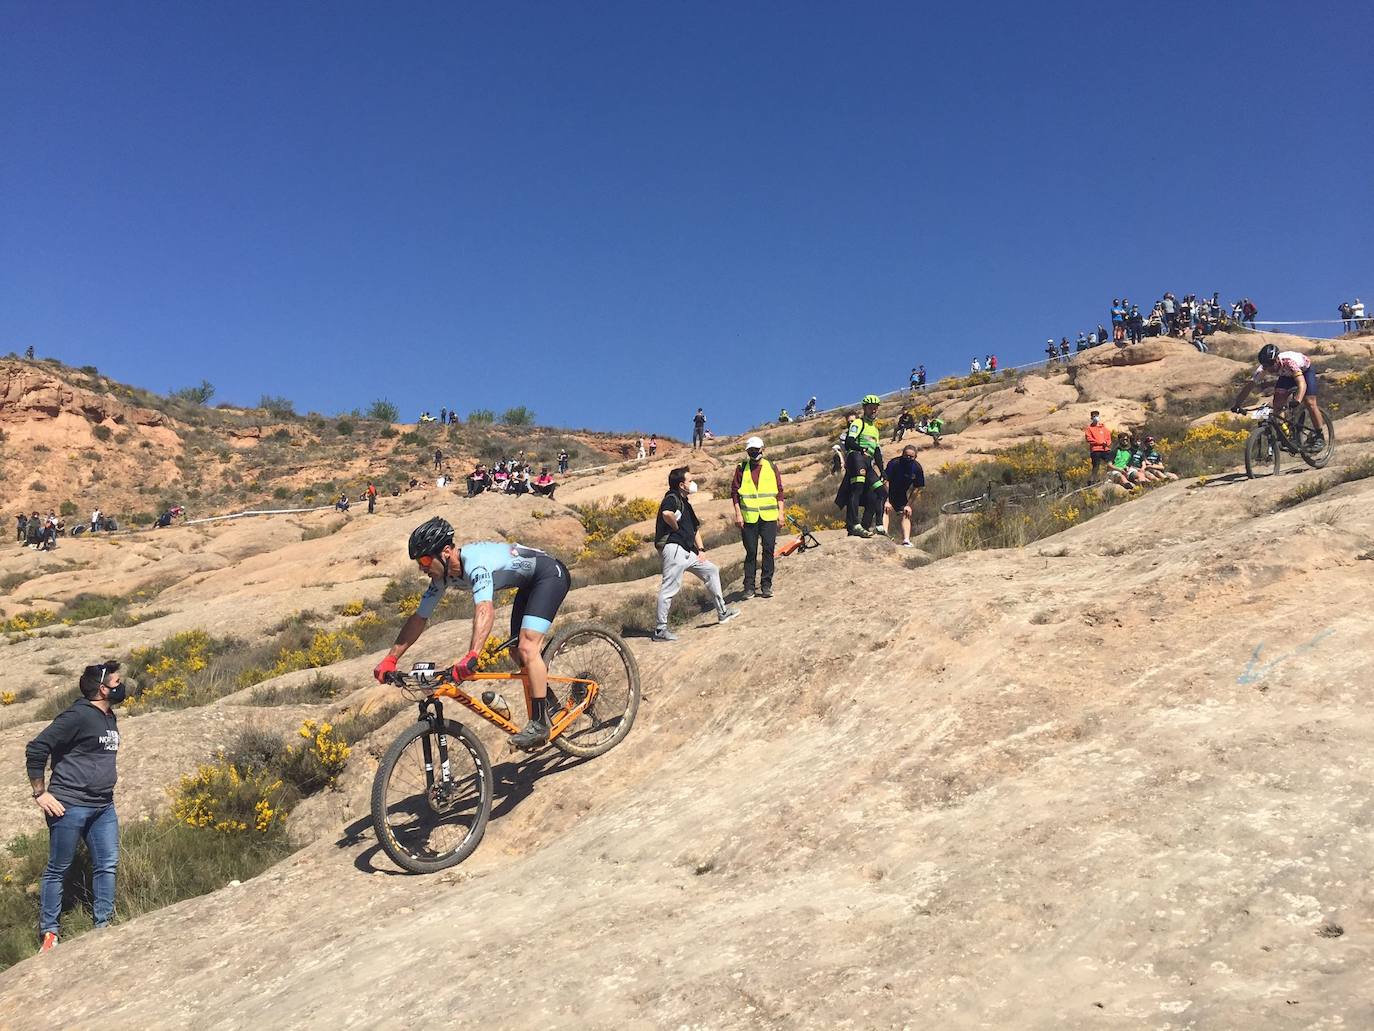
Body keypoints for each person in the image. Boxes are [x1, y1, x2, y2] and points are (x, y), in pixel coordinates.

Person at [374, 518, 571, 751]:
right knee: (516, 653)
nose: (422, 567)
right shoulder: (442, 578)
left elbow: (484, 608)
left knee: (528, 648)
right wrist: (391, 658)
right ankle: (550, 703)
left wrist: (472, 655)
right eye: (419, 562)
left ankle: (539, 725)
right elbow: (419, 619)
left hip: (549, 575)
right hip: (528, 584)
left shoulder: (475, 564)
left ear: (446, 552)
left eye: (425, 559)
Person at [26, 661, 128, 951]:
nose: (121, 686)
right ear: (101, 688)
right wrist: (40, 794)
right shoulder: (77, 716)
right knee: (59, 868)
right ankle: (50, 934)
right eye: (116, 682)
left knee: (107, 865)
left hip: (103, 806)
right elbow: (36, 748)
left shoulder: (110, 717)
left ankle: (103, 925)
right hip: (69, 805)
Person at [652, 466, 738, 642]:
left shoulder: (685, 503)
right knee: (669, 589)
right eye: (690, 481)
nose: (693, 483)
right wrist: (675, 527)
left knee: (711, 570)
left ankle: (722, 612)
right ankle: (660, 630)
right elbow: (666, 513)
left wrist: (701, 550)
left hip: (686, 550)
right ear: (681, 485)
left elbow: (695, 528)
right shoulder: (672, 497)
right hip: (674, 548)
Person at [1231, 343, 1324, 446]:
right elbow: (1248, 387)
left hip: (1305, 372)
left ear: (1276, 359)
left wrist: (1297, 399)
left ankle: (1319, 436)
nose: (1269, 368)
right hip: (1286, 376)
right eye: (1265, 365)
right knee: (1277, 405)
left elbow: (1302, 384)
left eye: (1270, 364)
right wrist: (1237, 404)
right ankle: (1287, 435)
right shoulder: (1263, 369)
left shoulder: (1289, 362)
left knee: (1309, 402)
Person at [731, 437, 785, 600]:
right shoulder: (741, 468)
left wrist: (780, 513)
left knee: (768, 549)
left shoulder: (771, 467)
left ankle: (766, 585)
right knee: (751, 552)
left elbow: (780, 491)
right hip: (749, 517)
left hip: (768, 516)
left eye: (756, 450)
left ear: (762, 449)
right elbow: (734, 493)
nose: (753, 453)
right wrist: (738, 514)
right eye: (750, 450)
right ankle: (749, 587)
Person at [838, 395, 884, 537]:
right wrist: (860, 448)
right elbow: (849, 442)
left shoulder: (875, 429)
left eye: (876, 407)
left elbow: (876, 451)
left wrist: (883, 471)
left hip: (868, 461)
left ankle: (875, 525)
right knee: (857, 489)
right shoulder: (858, 423)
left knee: (881, 491)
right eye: (871, 407)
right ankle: (854, 524)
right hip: (856, 458)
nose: (874, 410)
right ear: (865, 408)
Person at [883, 444, 925, 546]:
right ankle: (883, 535)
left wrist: (909, 505)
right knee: (885, 509)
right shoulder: (894, 463)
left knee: (906, 513)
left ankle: (906, 540)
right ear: (902, 454)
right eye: (906, 456)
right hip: (888, 490)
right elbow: (885, 481)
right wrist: (887, 500)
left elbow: (918, 487)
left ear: (915, 457)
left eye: (911, 457)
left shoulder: (917, 468)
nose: (908, 458)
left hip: (901, 493)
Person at [1084, 410, 1112, 482]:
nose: (1096, 417)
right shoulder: (1089, 428)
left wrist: (1107, 443)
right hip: (1095, 450)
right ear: (1091, 418)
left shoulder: (1103, 428)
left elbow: (1109, 437)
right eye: (1094, 416)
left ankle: (1109, 478)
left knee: (1110, 463)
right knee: (1096, 466)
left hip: (1105, 449)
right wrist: (1100, 442)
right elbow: (1089, 439)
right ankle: (1092, 481)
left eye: (1097, 416)